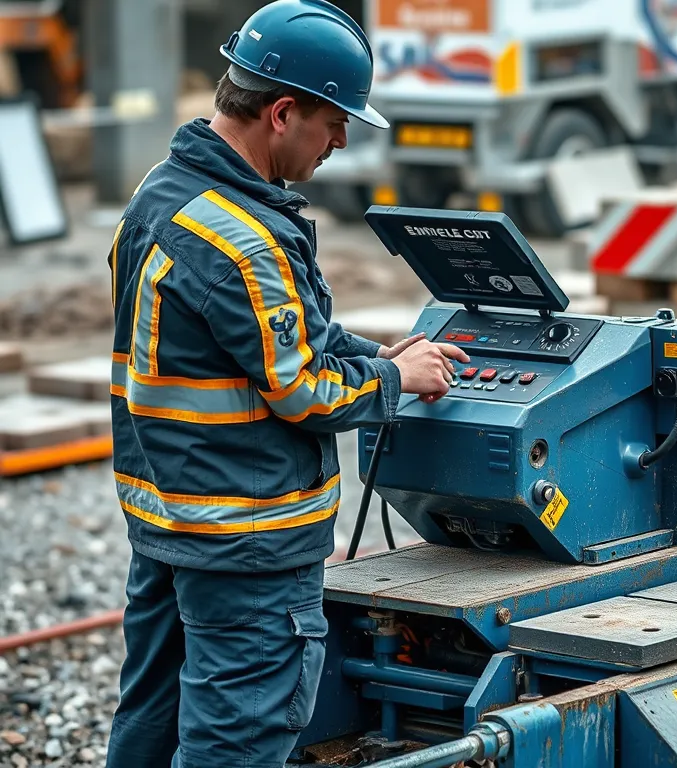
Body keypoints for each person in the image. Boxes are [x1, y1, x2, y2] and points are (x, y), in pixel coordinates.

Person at [103, 2, 469, 766]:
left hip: (169, 520)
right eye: (334, 123)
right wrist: (391, 381)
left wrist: (376, 353)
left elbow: (258, 342)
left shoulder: (160, 197)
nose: (341, 142)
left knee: (152, 723)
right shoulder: (243, 238)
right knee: (237, 738)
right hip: (247, 541)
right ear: (281, 113)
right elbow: (302, 390)